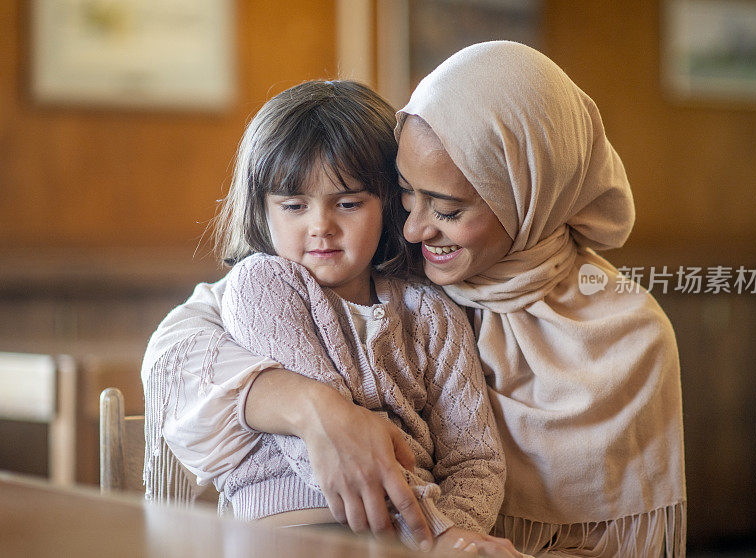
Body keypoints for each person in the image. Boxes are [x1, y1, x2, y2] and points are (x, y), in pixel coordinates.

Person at [143, 42, 686, 557]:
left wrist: (445, 538)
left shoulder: (621, 333)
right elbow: (176, 352)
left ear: (530, 195)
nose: (413, 230)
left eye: (447, 210)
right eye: (406, 196)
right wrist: (313, 409)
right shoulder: (318, 278)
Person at [143, 80, 511, 553]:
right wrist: (431, 533)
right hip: (286, 533)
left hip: (410, 538)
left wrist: (452, 538)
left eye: (349, 203)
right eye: (294, 206)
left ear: (390, 204)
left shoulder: (433, 312)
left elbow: (474, 459)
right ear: (263, 210)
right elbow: (325, 446)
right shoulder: (262, 286)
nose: (321, 226)